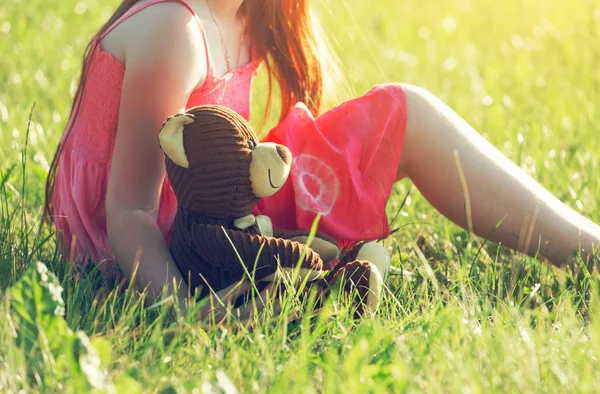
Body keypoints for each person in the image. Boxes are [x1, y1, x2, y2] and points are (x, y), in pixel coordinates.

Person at [43, 0, 600, 319]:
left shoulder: (243, 14)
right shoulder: (175, 32)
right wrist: (189, 313)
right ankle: (589, 252)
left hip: (220, 213)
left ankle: (587, 249)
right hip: (160, 251)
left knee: (403, 118)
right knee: (412, 119)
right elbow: (130, 214)